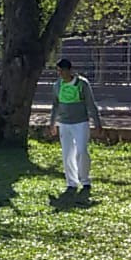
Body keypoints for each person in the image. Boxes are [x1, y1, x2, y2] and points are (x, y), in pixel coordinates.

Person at [47, 57, 103, 202]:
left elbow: (90, 104)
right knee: (67, 154)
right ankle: (71, 182)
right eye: (58, 71)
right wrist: (52, 123)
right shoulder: (57, 85)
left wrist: (97, 122)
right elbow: (55, 105)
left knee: (82, 151)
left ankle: (85, 180)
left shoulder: (82, 84)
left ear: (70, 70)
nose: (60, 74)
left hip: (80, 123)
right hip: (64, 124)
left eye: (63, 71)